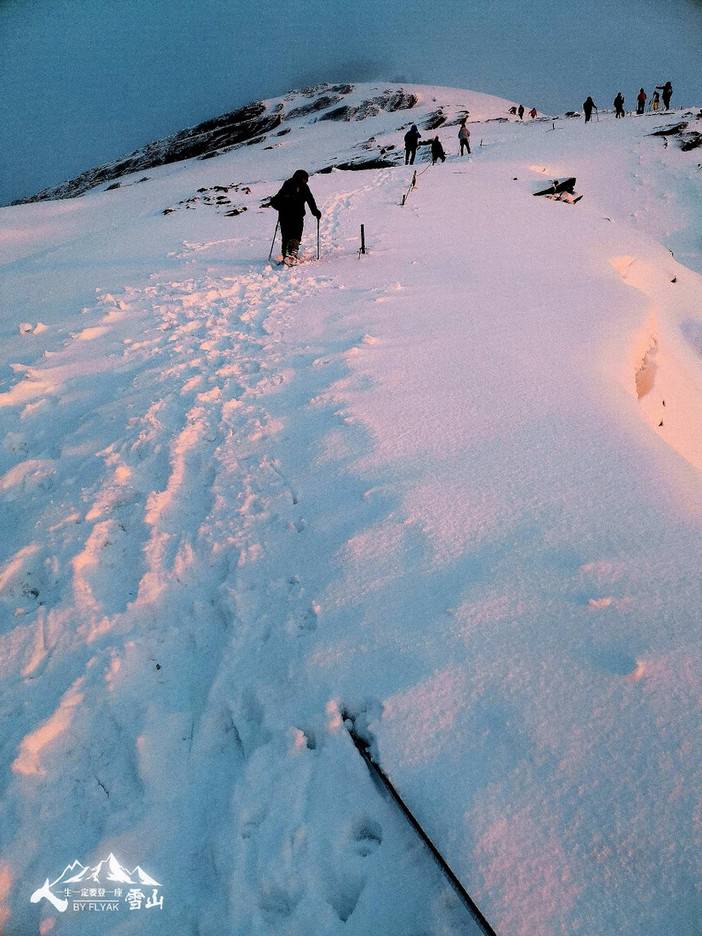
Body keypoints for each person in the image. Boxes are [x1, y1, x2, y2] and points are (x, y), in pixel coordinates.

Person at [269, 169, 321, 262]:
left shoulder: (292, 185)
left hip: (288, 215)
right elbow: (310, 200)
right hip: (293, 215)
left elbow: (276, 200)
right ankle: (291, 253)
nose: (306, 181)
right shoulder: (297, 186)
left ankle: (287, 254)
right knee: (294, 234)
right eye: (305, 179)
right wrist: (315, 212)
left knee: (289, 235)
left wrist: (315, 211)